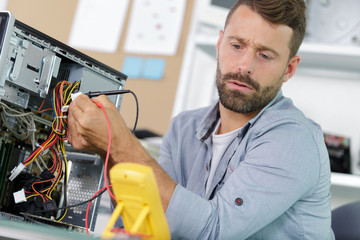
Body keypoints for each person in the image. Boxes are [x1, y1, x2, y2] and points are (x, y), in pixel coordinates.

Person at [67, 0, 335, 239]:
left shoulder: (294, 140)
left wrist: (121, 142)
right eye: (237, 46)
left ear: (289, 69)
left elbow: (214, 232)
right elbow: (147, 225)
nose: (244, 66)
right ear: (220, 44)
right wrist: (107, 147)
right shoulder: (185, 127)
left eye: (264, 55)